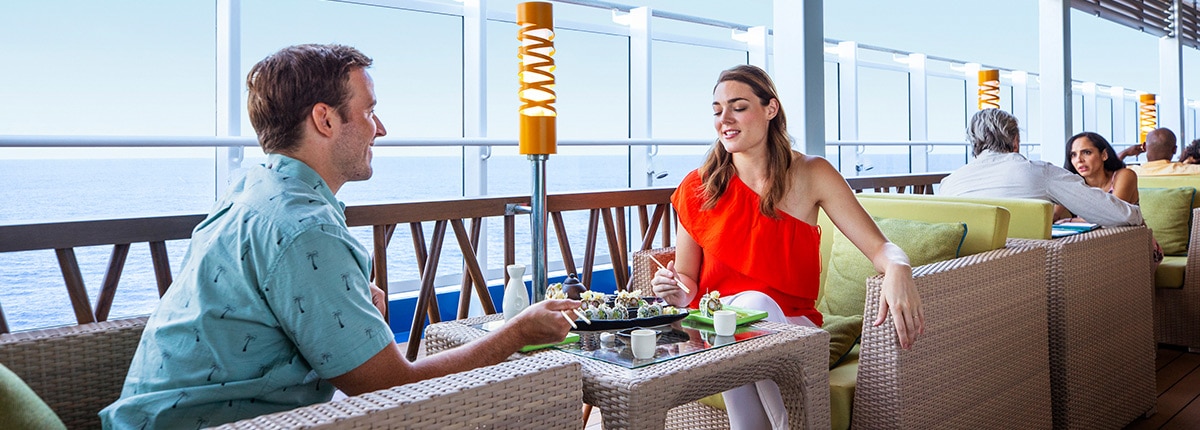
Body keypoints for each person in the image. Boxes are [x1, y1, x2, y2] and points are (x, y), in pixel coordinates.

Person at [99, 44, 579, 429]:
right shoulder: (306, 230)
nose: (381, 128)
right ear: (325, 119)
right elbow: (393, 388)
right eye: (369, 111)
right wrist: (517, 332)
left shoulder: (256, 187)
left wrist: (341, 296)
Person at [650, 65, 925, 430]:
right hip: (719, 332)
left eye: (738, 107)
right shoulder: (698, 187)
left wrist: (899, 268)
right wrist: (674, 290)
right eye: (717, 111)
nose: (724, 120)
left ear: (770, 109)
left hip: (792, 330)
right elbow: (687, 285)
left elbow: (881, 249)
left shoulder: (813, 174)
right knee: (736, 318)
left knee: (754, 308)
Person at [938, 109, 1143, 227]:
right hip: (1029, 271)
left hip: (958, 277)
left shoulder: (949, 184)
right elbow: (1120, 215)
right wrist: (1137, 215)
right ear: (1015, 141)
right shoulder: (1039, 173)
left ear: (973, 143)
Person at [1057, 132, 1139, 221]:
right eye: (1073, 155)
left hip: (1129, 234)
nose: (1079, 160)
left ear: (1104, 155)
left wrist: (1071, 221)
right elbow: (1052, 215)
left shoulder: (1124, 175)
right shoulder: (1073, 185)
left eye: (1086, 152)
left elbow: (1112, 214)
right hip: (1089, 235)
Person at [1120, 128, 1200, 176]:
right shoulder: (1192, 171)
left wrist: (1125, 152)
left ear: (1144, 147)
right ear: (1174, 149)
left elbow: (1109, 166)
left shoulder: (1130, 173)